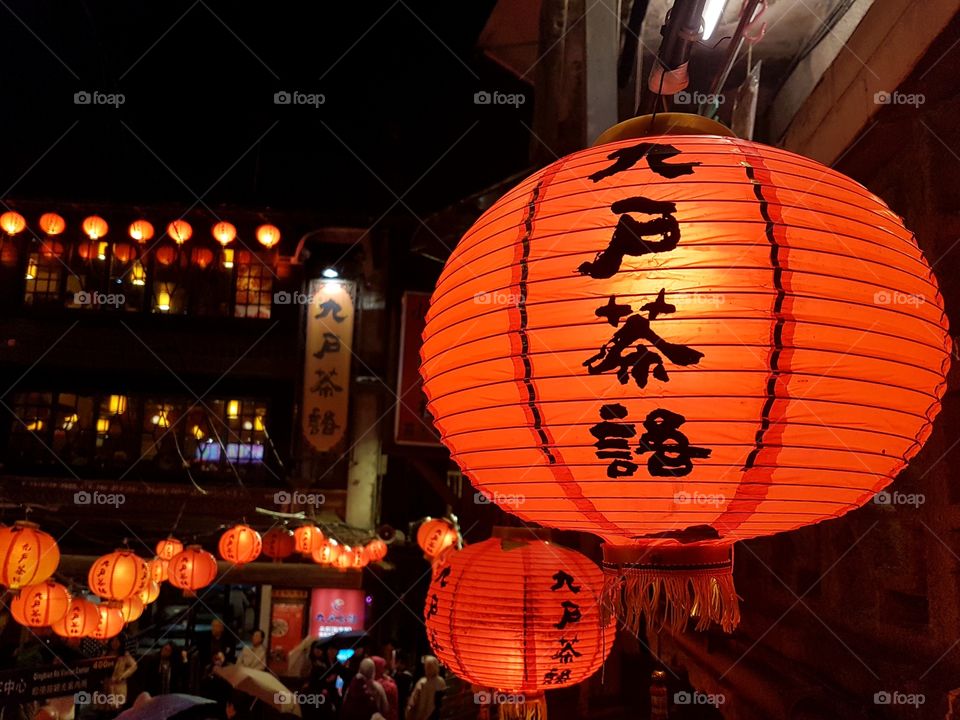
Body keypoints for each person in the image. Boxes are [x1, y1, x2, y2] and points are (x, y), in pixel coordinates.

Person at [99, 635, 136, 712]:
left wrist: (123, 676)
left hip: (118, 685)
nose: (114, 643)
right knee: (104, 710)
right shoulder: (105, 654)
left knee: (116, 709)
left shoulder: (124, 655)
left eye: (117, 641)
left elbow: (134, 666)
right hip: (106, 685)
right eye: (113, 641)